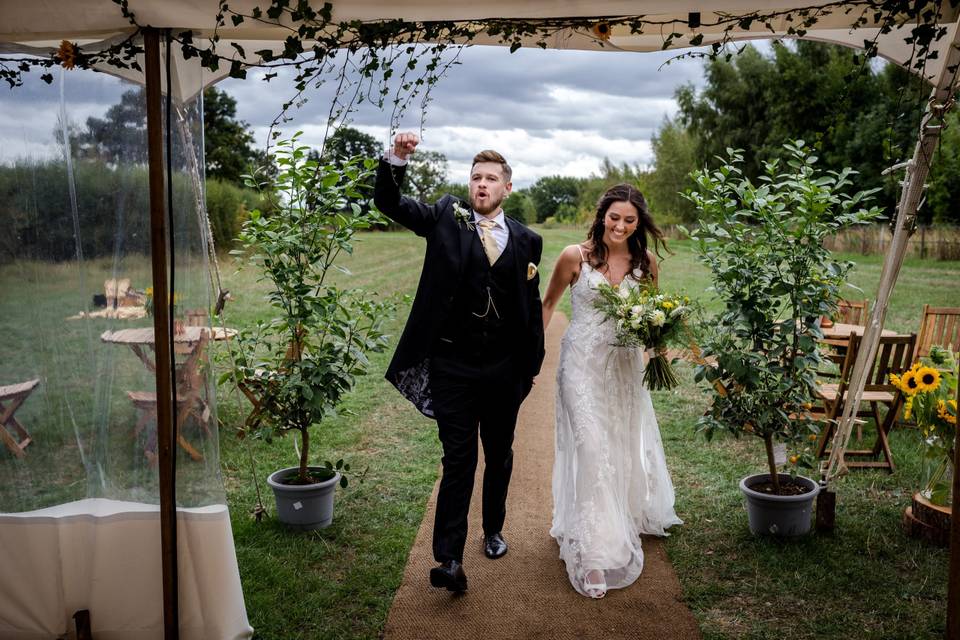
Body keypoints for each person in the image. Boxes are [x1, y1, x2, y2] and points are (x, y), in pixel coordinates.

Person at [374, 132, 545, 593]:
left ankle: (493, 529)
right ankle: (449, 558)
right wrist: (397, 159)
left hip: (505, 370)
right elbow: (390, 202)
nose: (481, 184)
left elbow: (528, 308)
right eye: (476, 177)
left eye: (491, 178)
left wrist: (531, 366)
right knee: (458, 460)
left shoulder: (529, 242)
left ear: (507, 188)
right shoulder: (445, 217)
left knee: (500, 454)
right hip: (452, 365)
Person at [541, 183, 682, 599]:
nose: (620, 226)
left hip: (623, 370)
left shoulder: (646, 263)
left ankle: (622, 514)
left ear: (639, 224)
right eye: (614, 217)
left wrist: (659, 355)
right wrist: (529, 356)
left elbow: (656, 318)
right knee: (590, 448)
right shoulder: (574, 257)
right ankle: (594, 552)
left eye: (629, 220)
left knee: (618, 447)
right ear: (602, 214)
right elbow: (547, 305)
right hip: (579, 367)